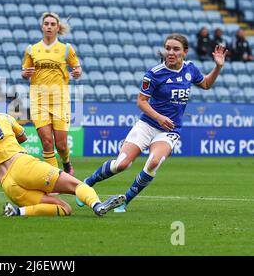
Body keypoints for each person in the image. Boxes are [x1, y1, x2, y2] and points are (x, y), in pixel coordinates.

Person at [77, 34, 227, 212]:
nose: (171, 52)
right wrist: (159, 117)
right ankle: (87, 183)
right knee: (121, 164)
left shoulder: (190, 69)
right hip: (147, 125)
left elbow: (206, 84)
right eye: (168, 48)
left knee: (154, 162)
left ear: (185, 52)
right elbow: (141, 102)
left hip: (170, 130)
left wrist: (218, 67)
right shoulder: (154, 74)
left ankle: (126, 200)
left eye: (176, 49)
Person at [0, 99, 125, 217]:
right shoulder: (3, 118)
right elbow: (23, 137)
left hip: (9, 186)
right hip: (22, 166)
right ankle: (97, 205)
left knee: (64, 208)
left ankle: (18, 212)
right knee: (76, 185)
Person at [21, 12, 82, 175]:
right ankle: (55, 179)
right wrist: (25, 74)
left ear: (57, 27)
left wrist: (77, 73)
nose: (49, 26)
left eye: (52, 24)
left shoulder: (66, 49)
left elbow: (77, 68)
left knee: (61, 145)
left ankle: (66, 163)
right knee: (47, 142)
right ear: (42, 27)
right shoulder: (31, 50)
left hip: (60, 101)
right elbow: (24, 71)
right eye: (46, 23)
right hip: (38, 101)